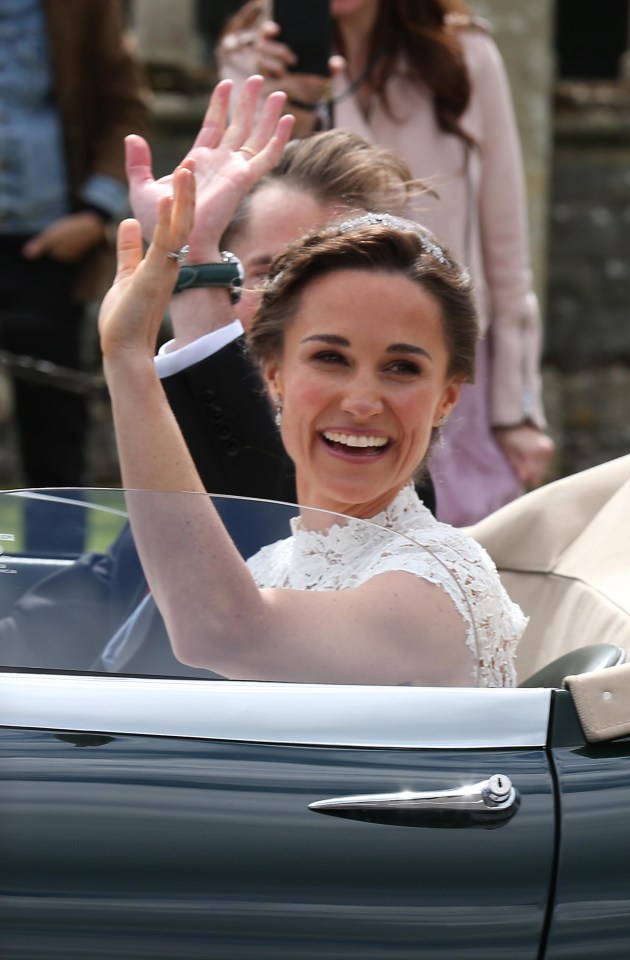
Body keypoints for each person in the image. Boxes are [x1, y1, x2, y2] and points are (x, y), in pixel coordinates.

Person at [0, 79, 434, 674]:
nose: (292, 311)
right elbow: (108, 589)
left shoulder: (373, 458)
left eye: (322, 287)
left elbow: (264, 497)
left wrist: (193, 264)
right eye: (266, 274)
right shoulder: (197, 425)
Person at [97, 126, 527, 687]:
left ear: (447, 395)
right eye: (330, 358)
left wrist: (129, 359)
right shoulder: (273, 564)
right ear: (273, 372)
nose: (363, 401)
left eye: (402, 368)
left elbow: (219, 630)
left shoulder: (437, 583)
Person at [217, 0, 556, 525]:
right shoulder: (251, 56)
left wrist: (518, 409)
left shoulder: (466, 54)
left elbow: (507, 246)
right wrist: (296, 101)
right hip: (320, 357)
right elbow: (256, 213)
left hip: (440, 356)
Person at [0, 0, 149, 552]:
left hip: (49, 245)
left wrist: (94, 213)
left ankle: (56, 593)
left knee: (54, 433)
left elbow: (125, 107)